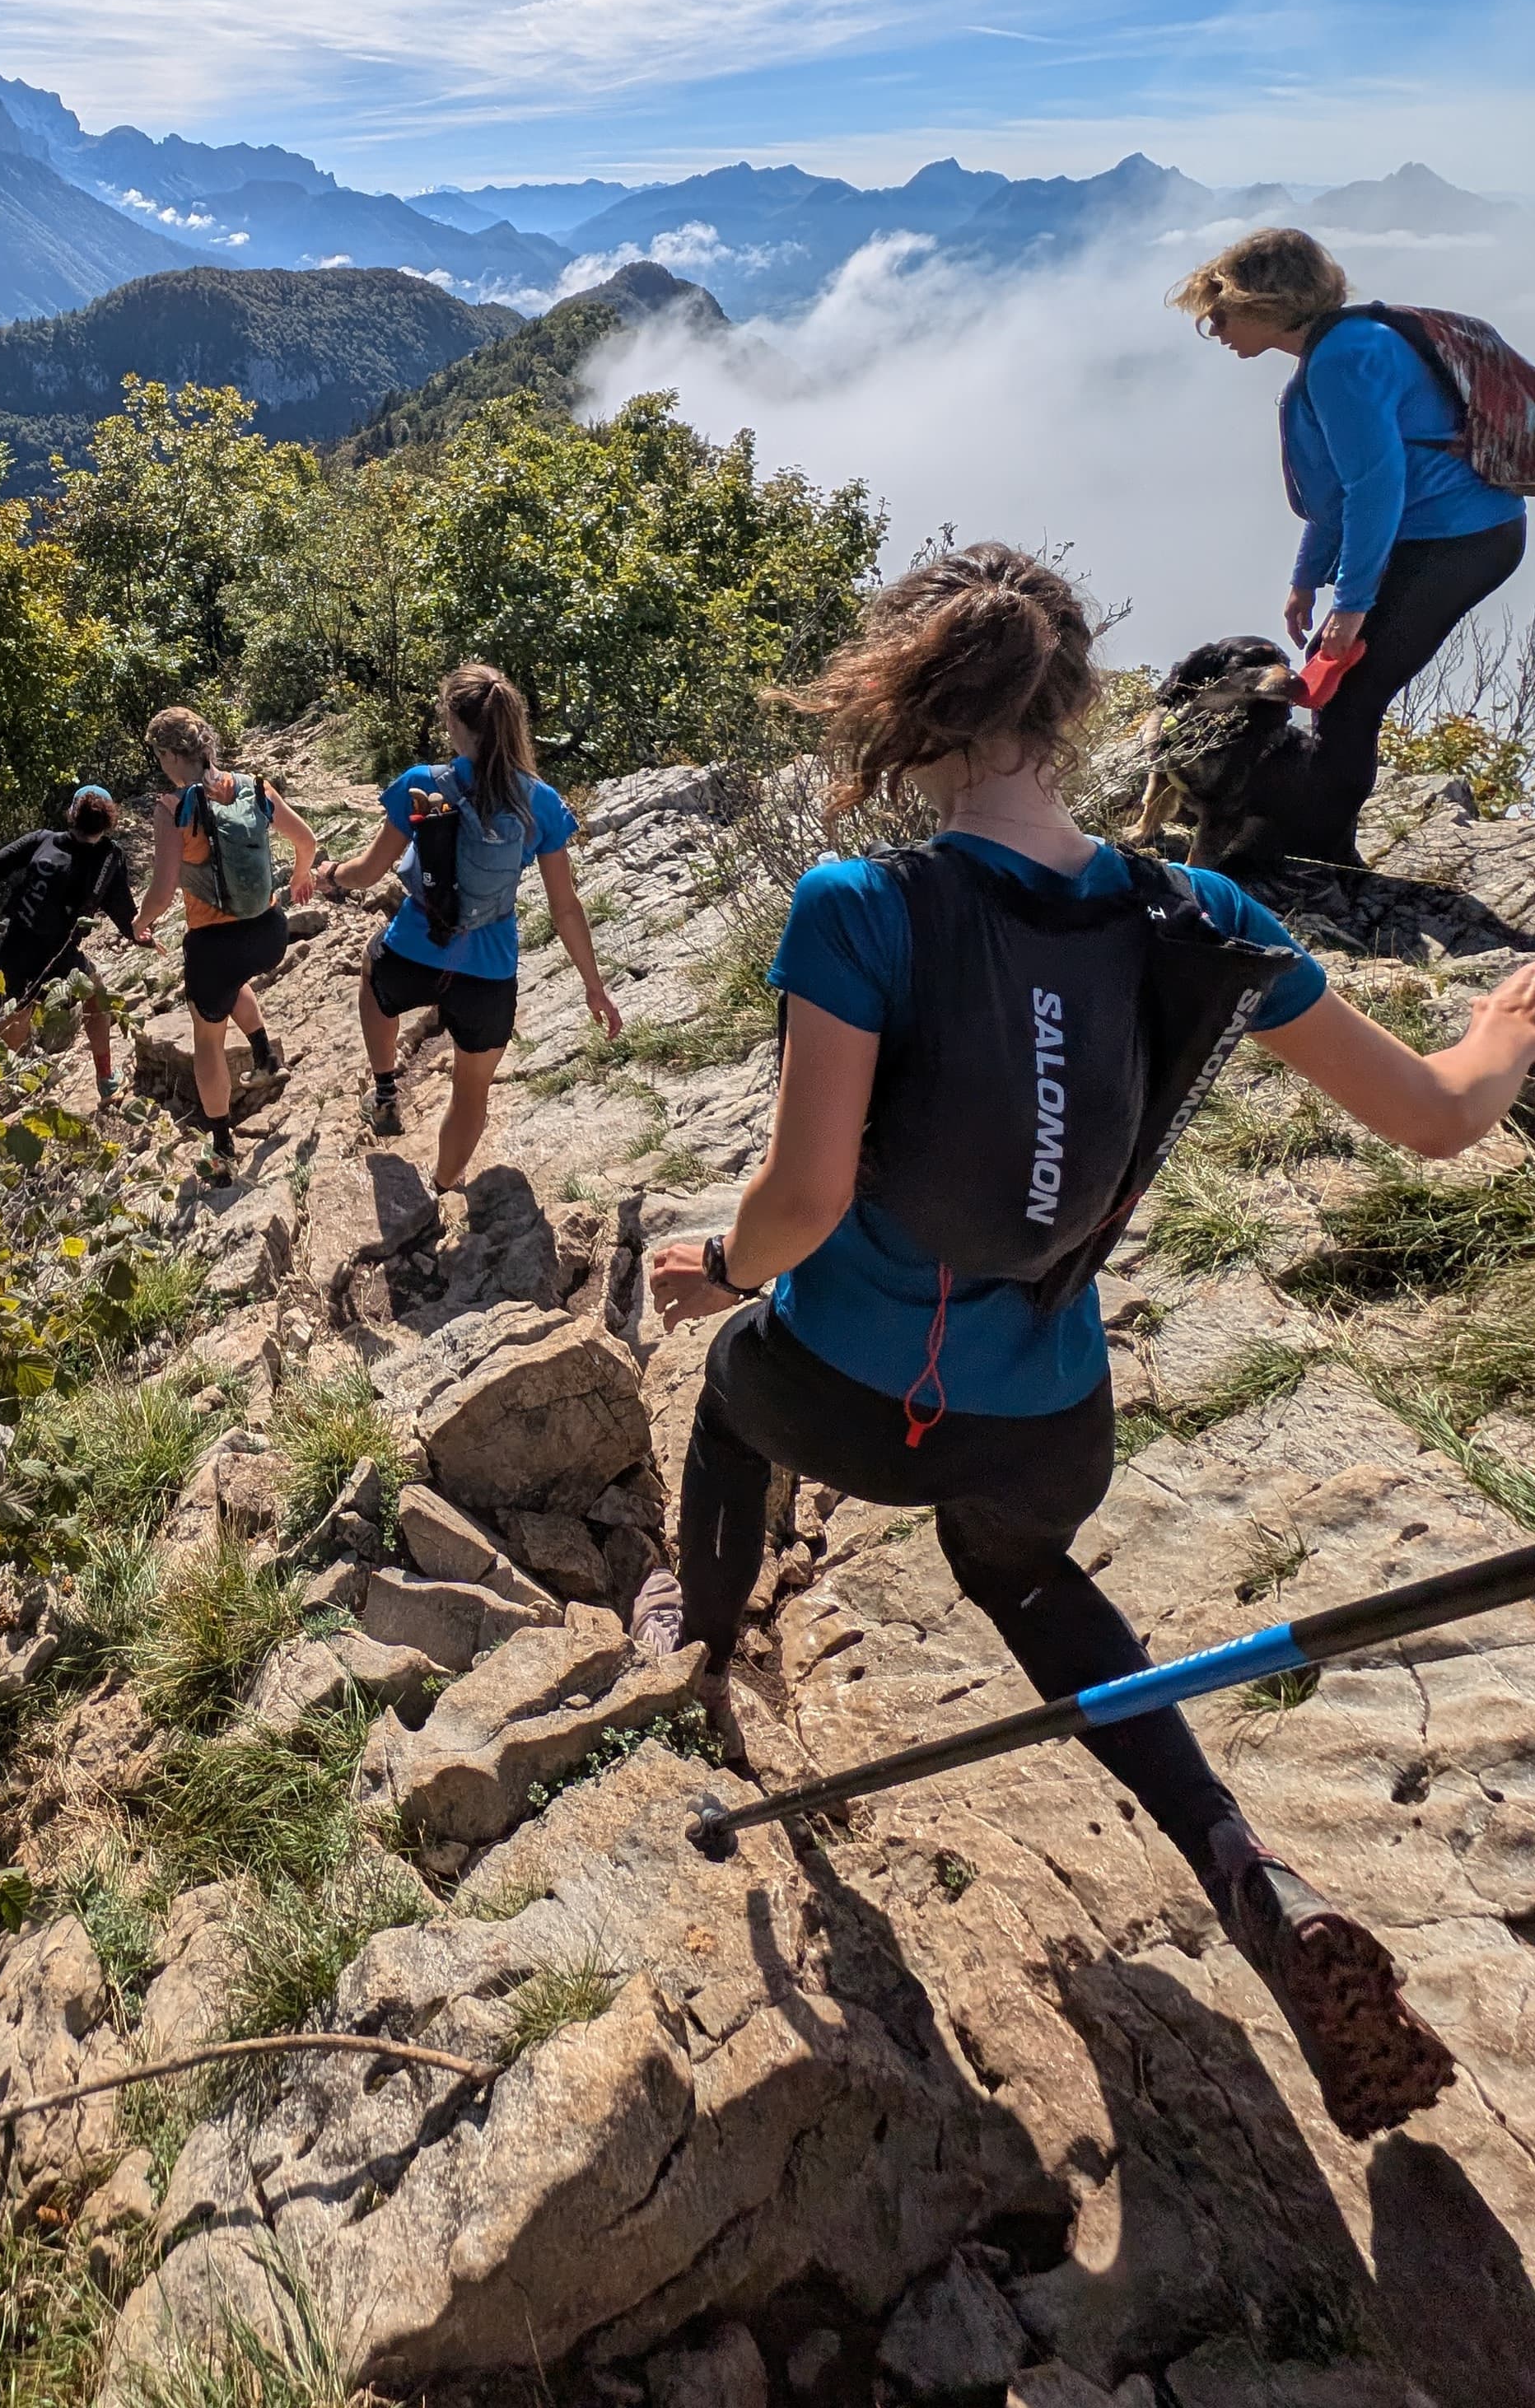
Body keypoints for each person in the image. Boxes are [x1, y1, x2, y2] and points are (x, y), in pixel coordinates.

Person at [635, 541, 1535, 2140]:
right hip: (1046, 1424)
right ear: (1071, 702)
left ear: (904, 709)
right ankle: (1243, 1866)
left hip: (844, 1396)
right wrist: (1497, 1032)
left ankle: (697, 1633)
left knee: (726, 1394)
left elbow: (801, 1200)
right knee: (1034, 1583)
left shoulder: (862, 907)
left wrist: (712, 1258)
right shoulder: (1203, 911)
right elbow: (1438, 1119)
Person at [1172, 226, 1525, 866]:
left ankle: (1319, 855)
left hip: (1459, 542)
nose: (1215, 330)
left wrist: (1353, 604)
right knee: (1339, 693)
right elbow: (1339, 493)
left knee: (1348, 701)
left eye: (1220, 314)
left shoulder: (1342, 361)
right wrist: (1308, 578)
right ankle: (1312, 840)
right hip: (1453, 536)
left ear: (1263, 304)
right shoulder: (1343, 348)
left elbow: (1375, 487)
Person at [319, 663, 623, 1229]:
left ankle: (385, 1089)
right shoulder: (542, 803)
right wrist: (594, 988)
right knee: (472, 1090)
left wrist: (330, 872)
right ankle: (439, 1189)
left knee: (372, 975)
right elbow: (565, 908)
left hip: (414, 949)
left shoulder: (423, 783)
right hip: (489, 974)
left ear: (455, 723)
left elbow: (367, 872)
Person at [131, 708, 320, 1183]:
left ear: (174, 754)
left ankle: (220, 1150)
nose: (161, 764)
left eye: (160, 755)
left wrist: (140, 923)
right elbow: (307, 840)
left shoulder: (173, 807)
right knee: (235, 983)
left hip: (214, 944)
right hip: (268, 932)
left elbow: (163, 888)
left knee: (207, 1040)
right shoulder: (254, 786)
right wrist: (300, 877)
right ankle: (265, 1056)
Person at [0, 786, 140, 1103]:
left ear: (72, 813)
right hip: (62, 957)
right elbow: (122, 910)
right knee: (96, 997)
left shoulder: (43, 840)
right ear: (109, 821)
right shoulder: (109, 858)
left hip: (15, 949)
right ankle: (106, 1080)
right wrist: (142, 935)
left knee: (14, 1020)